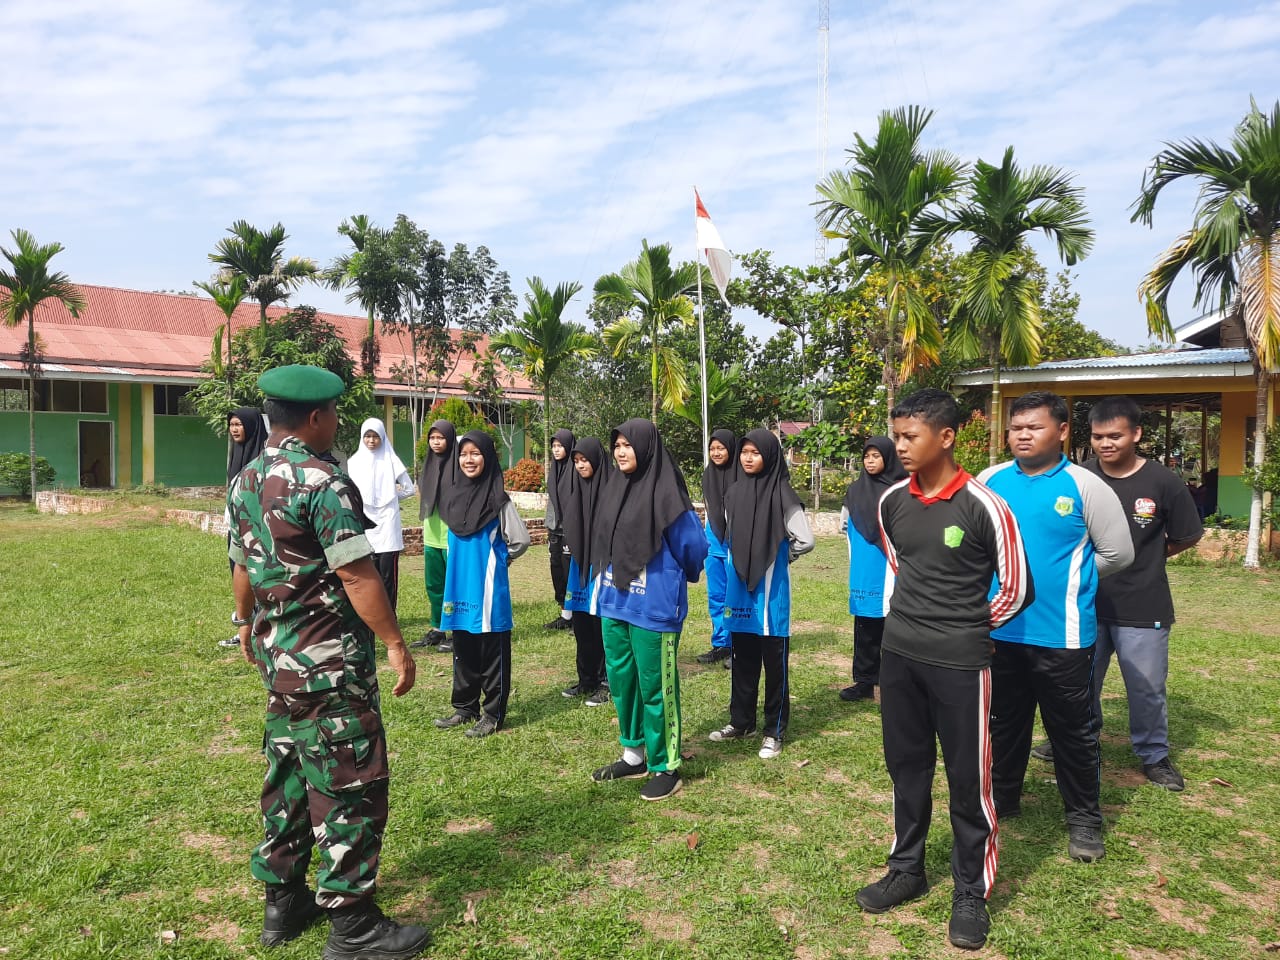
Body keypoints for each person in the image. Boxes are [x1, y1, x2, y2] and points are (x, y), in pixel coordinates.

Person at [226, 364, 428, 960]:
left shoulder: (246, 480)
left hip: (280, 664)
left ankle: (283, 903)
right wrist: (395, 642)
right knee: (348, 783)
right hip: (330, 665)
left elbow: (242, 566)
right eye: (335, 413)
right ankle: (354, 925)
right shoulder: (323, 482)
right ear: (315, 417)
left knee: (288, 775)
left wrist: (244, 622)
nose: (337, 422)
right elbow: (356, 574)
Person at [856, 389, 1032, 953]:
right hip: (900, 658)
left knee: (967, 780)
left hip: (960, 664)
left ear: (947, 437)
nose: (900, 447)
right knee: (906, 768)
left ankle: (971, 892)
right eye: (897, 436)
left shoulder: (985, 506)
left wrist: (967, 627)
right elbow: (902, 564)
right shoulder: (892, 502)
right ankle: (906, 868)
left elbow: (1017, 588)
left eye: (910, 436)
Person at [979, 392, 1134, 864]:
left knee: (1072, 732)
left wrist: (1073, 579)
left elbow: (1118, 554)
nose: (1023, 435)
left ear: (1063, 431)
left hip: (1063, 638)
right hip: (1000, 633)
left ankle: (1084, 820)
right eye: (1016, 428)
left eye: (1035, 427)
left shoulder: (1085, 487)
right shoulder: (990, 481)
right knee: (1004, 724)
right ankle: (1004, 797)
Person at [1035, 397, 1203, 792]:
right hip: (1084, 602)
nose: (1105, 443)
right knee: (1079, 682)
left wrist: (1147, 557)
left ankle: (1154, 755)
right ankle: (1074, 738)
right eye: (1098, 437)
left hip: (1142, 603)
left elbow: (1187, 534)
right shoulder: (1077, 478)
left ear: (1136, 434)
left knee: (1145, 686)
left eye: (1115, 436)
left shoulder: (1163, 482)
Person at [589, 418, 707, 802]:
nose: (621, 452)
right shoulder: (613, 487)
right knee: (622, 682)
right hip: (614, 601)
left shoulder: (668, 495)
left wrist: (676, 578)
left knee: (656, 687)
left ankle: (665, 765)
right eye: (617, 445)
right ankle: (633, 754)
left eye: (628, 445)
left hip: (653, 607)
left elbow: (694, 547)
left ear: (647, 447)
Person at [708, 429, 814, 759]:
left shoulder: (783, 493)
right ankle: (741, 722)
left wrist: (781, 556)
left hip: (771, 592)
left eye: (755, 453)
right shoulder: (734, 492)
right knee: (743, 658)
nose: (748, 458)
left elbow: (805, 539)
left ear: (769, 456)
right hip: (739, 587)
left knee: (774, 664)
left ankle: (773, 731)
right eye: (745, 452)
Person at [433, 430, 531, 738]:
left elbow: (520, 540)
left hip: (488, 589)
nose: (469, 460)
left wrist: (501, 560)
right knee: (463, 648)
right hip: (458, 585)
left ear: (487, 457)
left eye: (475, 453)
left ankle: (492, 714)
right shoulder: (451, 497)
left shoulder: (498, 500)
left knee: (492, 653)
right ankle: (465, 707)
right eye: (463, 454)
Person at [838, 436, 907, 701]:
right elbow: (845, 524)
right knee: (865, 622)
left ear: (888, 458)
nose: (870, 461)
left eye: (876, 456)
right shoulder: (855, 491)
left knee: (893, 623)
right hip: (864, 565)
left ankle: (894, 683)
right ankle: (865, 681)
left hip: (891, 566)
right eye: (867, 456)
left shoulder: (902, 490)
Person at [559, 437, 611, 706]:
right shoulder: (576, 490)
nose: (580, 466)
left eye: (585, 460)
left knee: (601, 624)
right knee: (581, 624)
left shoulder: (612, 490)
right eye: (576, 461)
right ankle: (586, 678)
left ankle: (607, 682)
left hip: (603, 566)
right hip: (580, 566)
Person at [347, 418, 416, 612]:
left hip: (387, 524)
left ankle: (389, 616)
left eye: (375, 436)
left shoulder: (391, 460)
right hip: (365, 524)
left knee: (387, 575)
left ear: (383, 437)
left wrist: (391, 497)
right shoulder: (354, 462)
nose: (371, 440)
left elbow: (409, 489)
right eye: (367, 436)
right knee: (368, 575)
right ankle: (372, 616)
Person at [219, 406, 268, 649]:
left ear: (252, 426)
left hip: (258, 530)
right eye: (232, 425)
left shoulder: (264, 457)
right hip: (237, 529)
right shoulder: (236, 453)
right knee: (240, 580)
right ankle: (245, 628)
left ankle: (263, 633)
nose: (234, 429)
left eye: (239, 424)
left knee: (259, 580)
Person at [412, 419, 457, 652]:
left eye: (441, 438)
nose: (436, 442)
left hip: (453, 536)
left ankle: (458, 631)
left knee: (454, 586)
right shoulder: (428, 465)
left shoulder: (458, 466)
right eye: (432, 438)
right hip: (431, 534)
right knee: (434, 585)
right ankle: (438, 628)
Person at [695, 428, 737, 666]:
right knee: (716, 596)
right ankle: (721, 644)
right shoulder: (708, 475)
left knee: (736, 597)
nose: (716, 453)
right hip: (713, 544)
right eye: (712, 448)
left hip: (735, 544)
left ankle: (739, 647)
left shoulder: (741, 475)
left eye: (721, 448)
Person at [543, 428, 576, 631]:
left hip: (570, 530)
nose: (556, 450)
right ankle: (565, 615)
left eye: (560, 446)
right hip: (554, 528)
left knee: (570, 572)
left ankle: (577, 617)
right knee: (557, 570)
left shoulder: (575, 470)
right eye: (553, 446)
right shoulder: (554, 470)